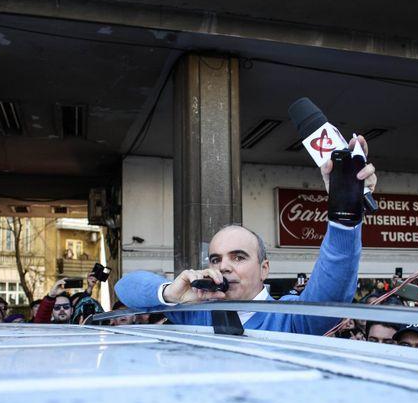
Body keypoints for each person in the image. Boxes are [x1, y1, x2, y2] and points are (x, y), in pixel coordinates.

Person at [115, 135, 376, 335]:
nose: (224, 267)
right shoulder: (195, 310)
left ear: (264, 269)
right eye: (215, 259)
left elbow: (330, 295)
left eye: (238, 257)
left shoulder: (291, 317)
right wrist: (171, 294)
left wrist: (344, 211)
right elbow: (125, 287)